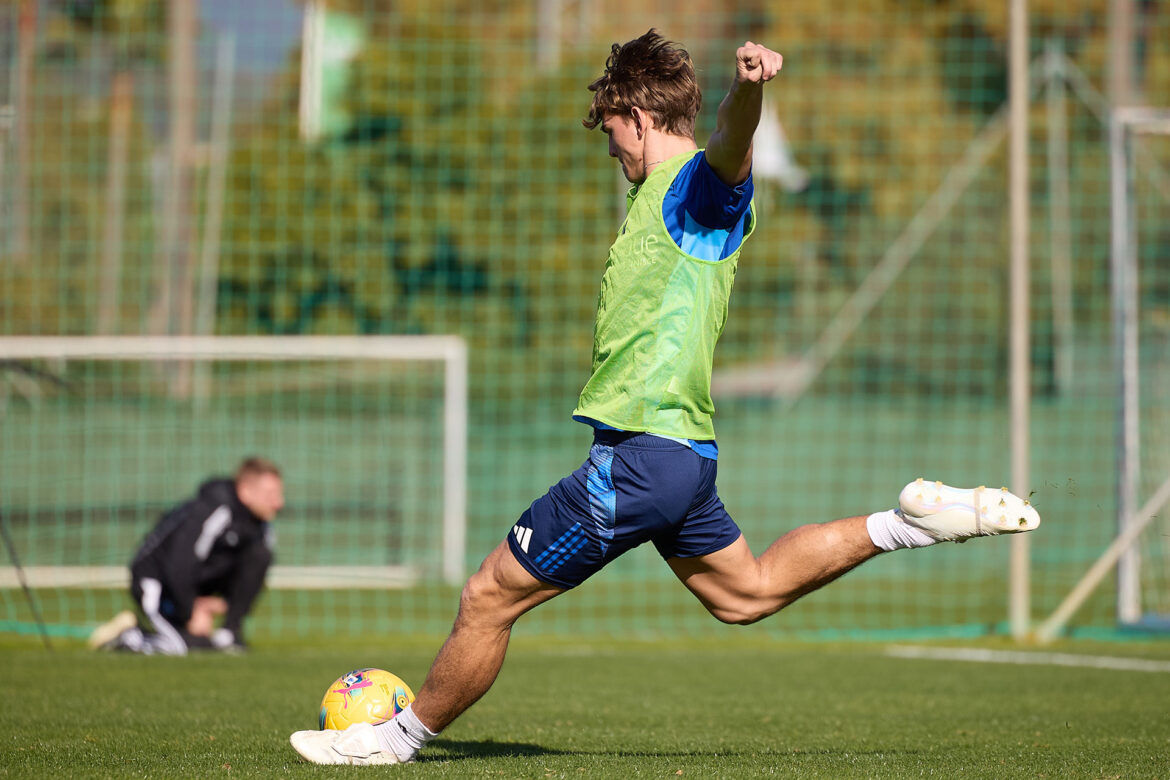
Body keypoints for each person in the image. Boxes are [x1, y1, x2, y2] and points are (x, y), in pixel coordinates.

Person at [290, 30, 1041, 765]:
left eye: (612, 131)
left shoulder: (693, 193)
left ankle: (387, 742)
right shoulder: (659, 198)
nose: (610, 148)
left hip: (641, 457)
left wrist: (746, 91)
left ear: (641, 119)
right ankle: (906, 524)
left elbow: (730, 146)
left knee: (488, 596)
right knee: (745, 595)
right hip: (681, 456)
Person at [88, 456, 284, 655]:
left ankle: (229, 633)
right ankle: (130, 637)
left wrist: (218, 603)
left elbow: (247, 570)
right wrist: (191, 611)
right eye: (270, 494)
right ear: (245, 491)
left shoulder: (260, 526)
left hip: (190, 590)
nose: (278, 503)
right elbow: (179, 564)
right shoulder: (214, 509)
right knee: (185, 648)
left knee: (260, 555)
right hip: (156, 583)